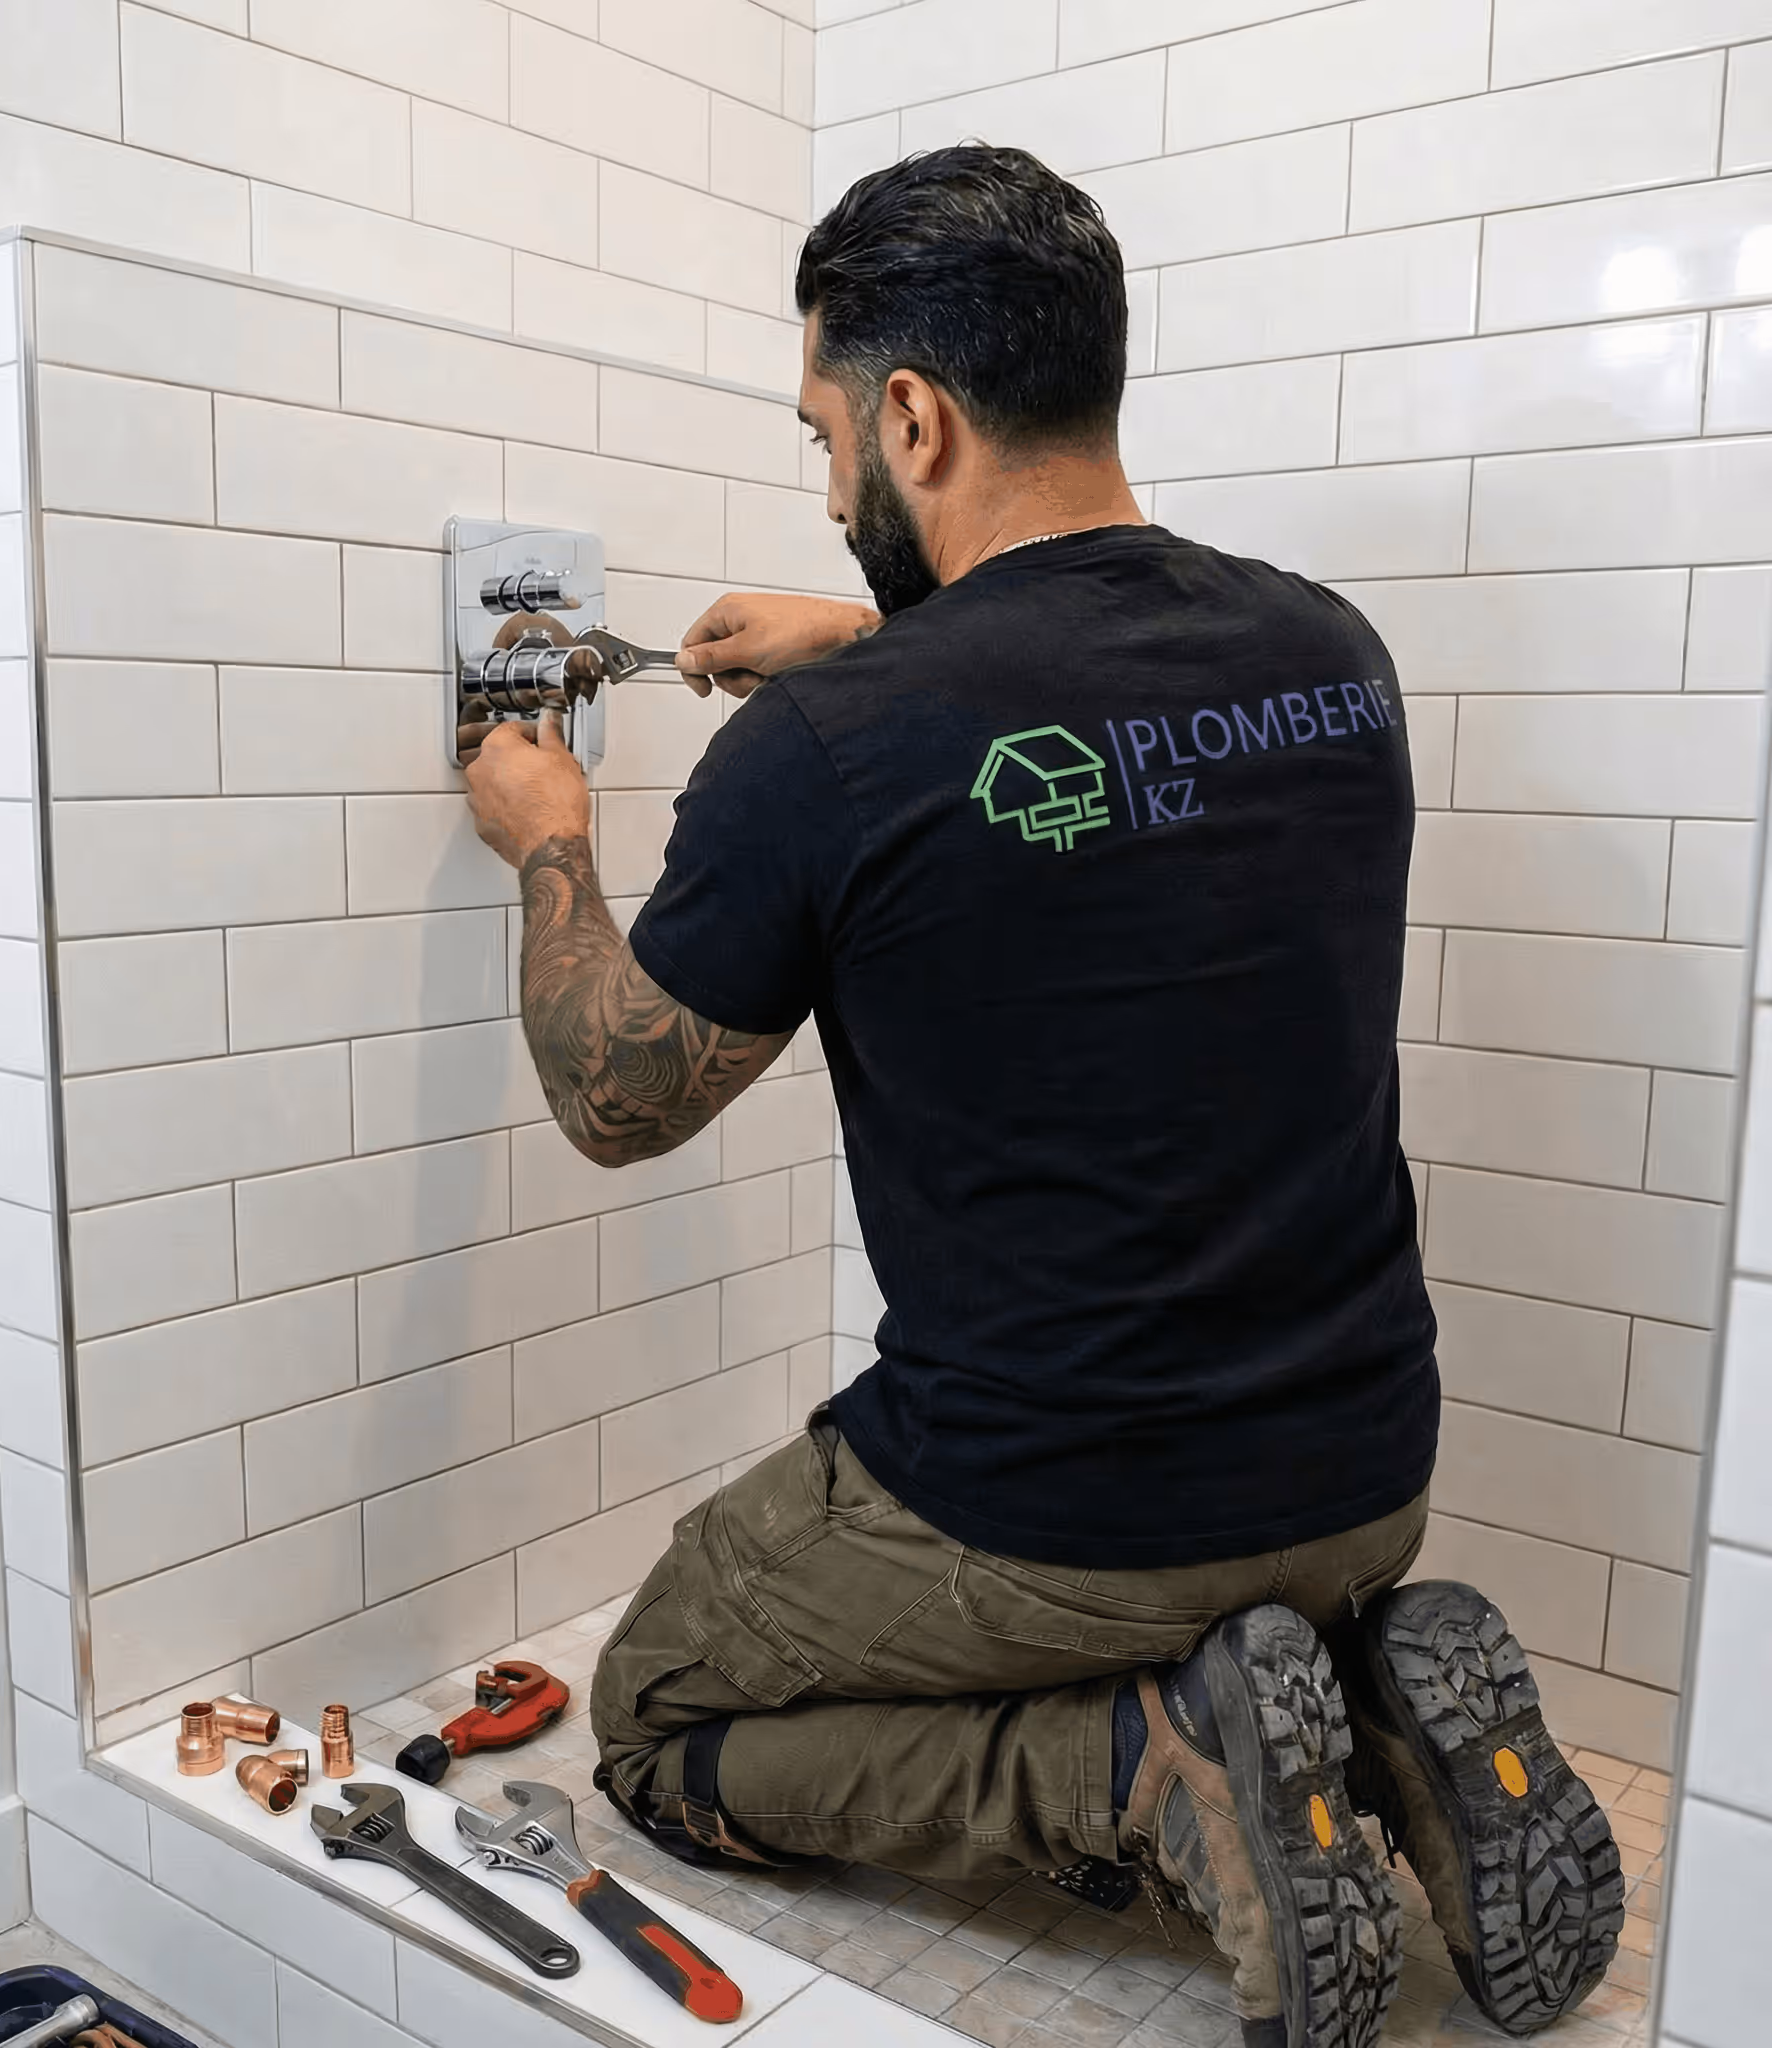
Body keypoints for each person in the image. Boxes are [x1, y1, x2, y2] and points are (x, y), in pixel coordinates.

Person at [462, 146, 1621, 2048]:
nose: (827, 490)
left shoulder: (834, 752)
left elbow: (617, 1096)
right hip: (1367, 1477)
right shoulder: (1334, 658)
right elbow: (1089, 738)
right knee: (1243, 1574)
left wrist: (550, 840)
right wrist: (877, 649)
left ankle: (1146, 1769)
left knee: (657, 1714)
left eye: (824, 433)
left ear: (913, 418)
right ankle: (1385, 1721)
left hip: (1062, 1517)